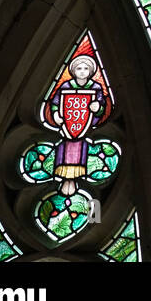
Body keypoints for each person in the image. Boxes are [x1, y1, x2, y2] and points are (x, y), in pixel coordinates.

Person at [48, 51, 107, 196]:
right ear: (73, 71)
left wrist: (97, 108)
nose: (82, 71)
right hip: (67, 129)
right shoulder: (66, 86)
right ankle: (66, 178)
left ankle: (74, 179)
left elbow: (101, 106)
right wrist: (56, 114)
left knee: (80, 150)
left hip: (82, 130)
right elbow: (56, 103)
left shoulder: (96, 88)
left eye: (86, 68)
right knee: (65, 150)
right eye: (79, 68)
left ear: (91, 71)